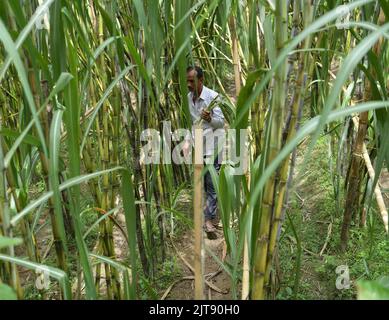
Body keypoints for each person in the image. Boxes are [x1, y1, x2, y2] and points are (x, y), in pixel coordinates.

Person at [183, 66, 225, 235]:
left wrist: (210, 118)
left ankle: (209, 220)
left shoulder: (212, 97)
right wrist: (187, 142)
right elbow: (192, 123)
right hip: (199, 146)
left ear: (201, 80)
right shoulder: (188, 98)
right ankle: (211, 214)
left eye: (192, 81)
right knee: (204, 183)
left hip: (214, 146)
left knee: (212, 183)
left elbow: (221, 122)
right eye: (187, 81)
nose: (189, 84)